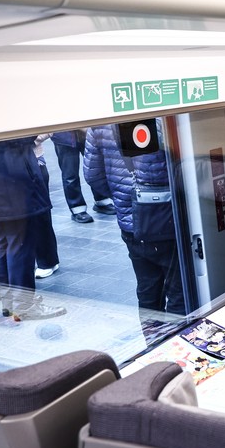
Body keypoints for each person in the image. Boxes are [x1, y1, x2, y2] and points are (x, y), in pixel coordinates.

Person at [83, 122, 185, 343]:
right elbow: (168, 170)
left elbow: (92, 175)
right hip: (165, 219)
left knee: (147, 288)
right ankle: (179, 346)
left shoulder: (100, 124)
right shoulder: (161, 119)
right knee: (177, 289)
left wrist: (123, 199)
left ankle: (154, 343)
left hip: (130, 224)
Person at [0, 137, 66, 321]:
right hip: (10, 179)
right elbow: (21, 135)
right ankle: (23, 306)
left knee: (3, 241)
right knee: (19, 244)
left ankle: (11, 303)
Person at [51, 130, 116, 223]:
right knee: (70, 175)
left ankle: (102, 201)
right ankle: (77, 208)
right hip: (64, 136)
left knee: (96, 168)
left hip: (86, 134)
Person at [33, 134, 60, 278]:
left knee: (40, 214)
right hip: (0, 163)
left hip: (34, 160)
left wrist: (28, 140)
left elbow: (48, 128)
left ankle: (47, 261)